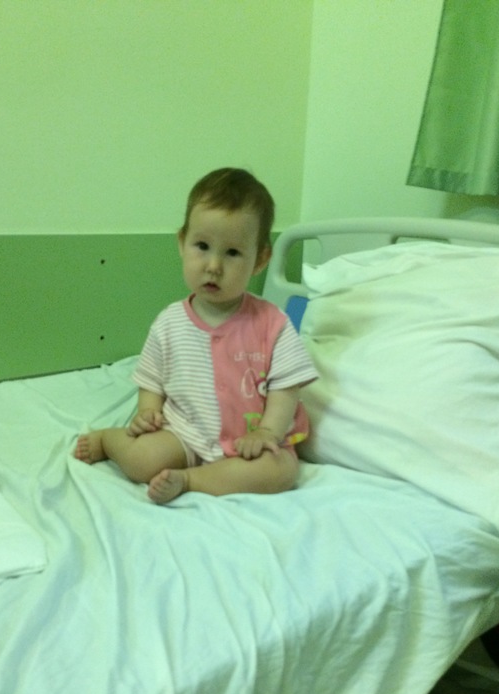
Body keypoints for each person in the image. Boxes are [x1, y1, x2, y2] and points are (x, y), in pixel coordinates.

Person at [75, 168, 318, 504]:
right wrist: (147, 412)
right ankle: (108, 440)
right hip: (184, 433)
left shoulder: (272, 323)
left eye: (232, 253)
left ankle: (190, 480)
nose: (213, 266)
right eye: (202, 246)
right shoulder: (169, 323)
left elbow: (285, 389)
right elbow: (152, 380)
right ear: (182, 243)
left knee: (280, 472)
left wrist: (267, 432)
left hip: (249, 443)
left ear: (260, 259)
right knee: (143, 460)